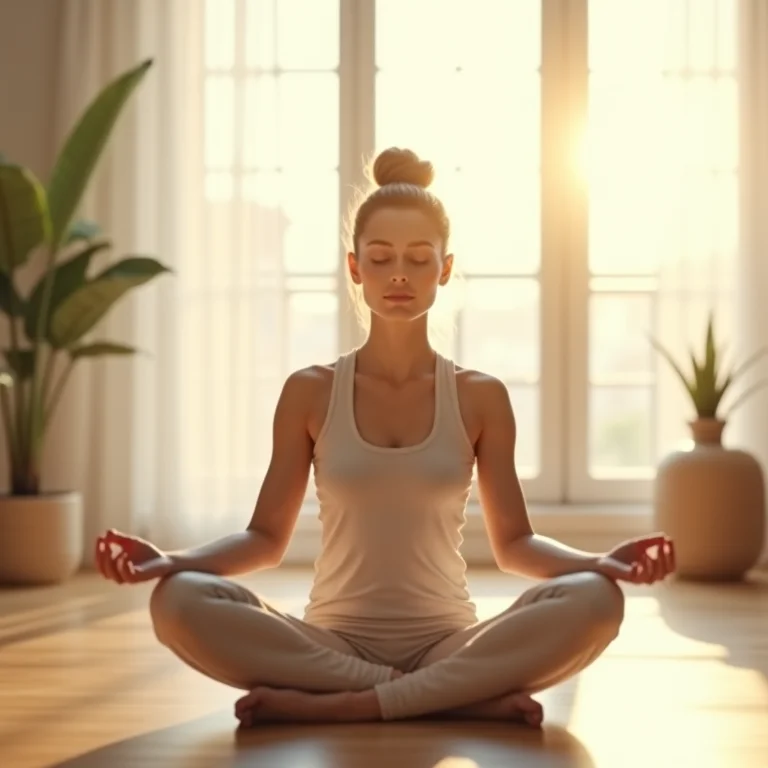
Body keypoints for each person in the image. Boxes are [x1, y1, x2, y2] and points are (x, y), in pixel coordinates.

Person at [95, 147, 676, 729]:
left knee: (598, 601)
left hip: (448, 643)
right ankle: (444, 699)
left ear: (445, 269)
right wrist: (170, 561)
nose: (399, 273)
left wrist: (600, 563)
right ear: (356, 268)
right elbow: (265, 538)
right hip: (330, 646)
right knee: (176, 600)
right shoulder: (310, 392)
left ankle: (354, 704)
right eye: (381, 257)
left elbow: (515, 544)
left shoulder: (480, 396)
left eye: (419, 259)